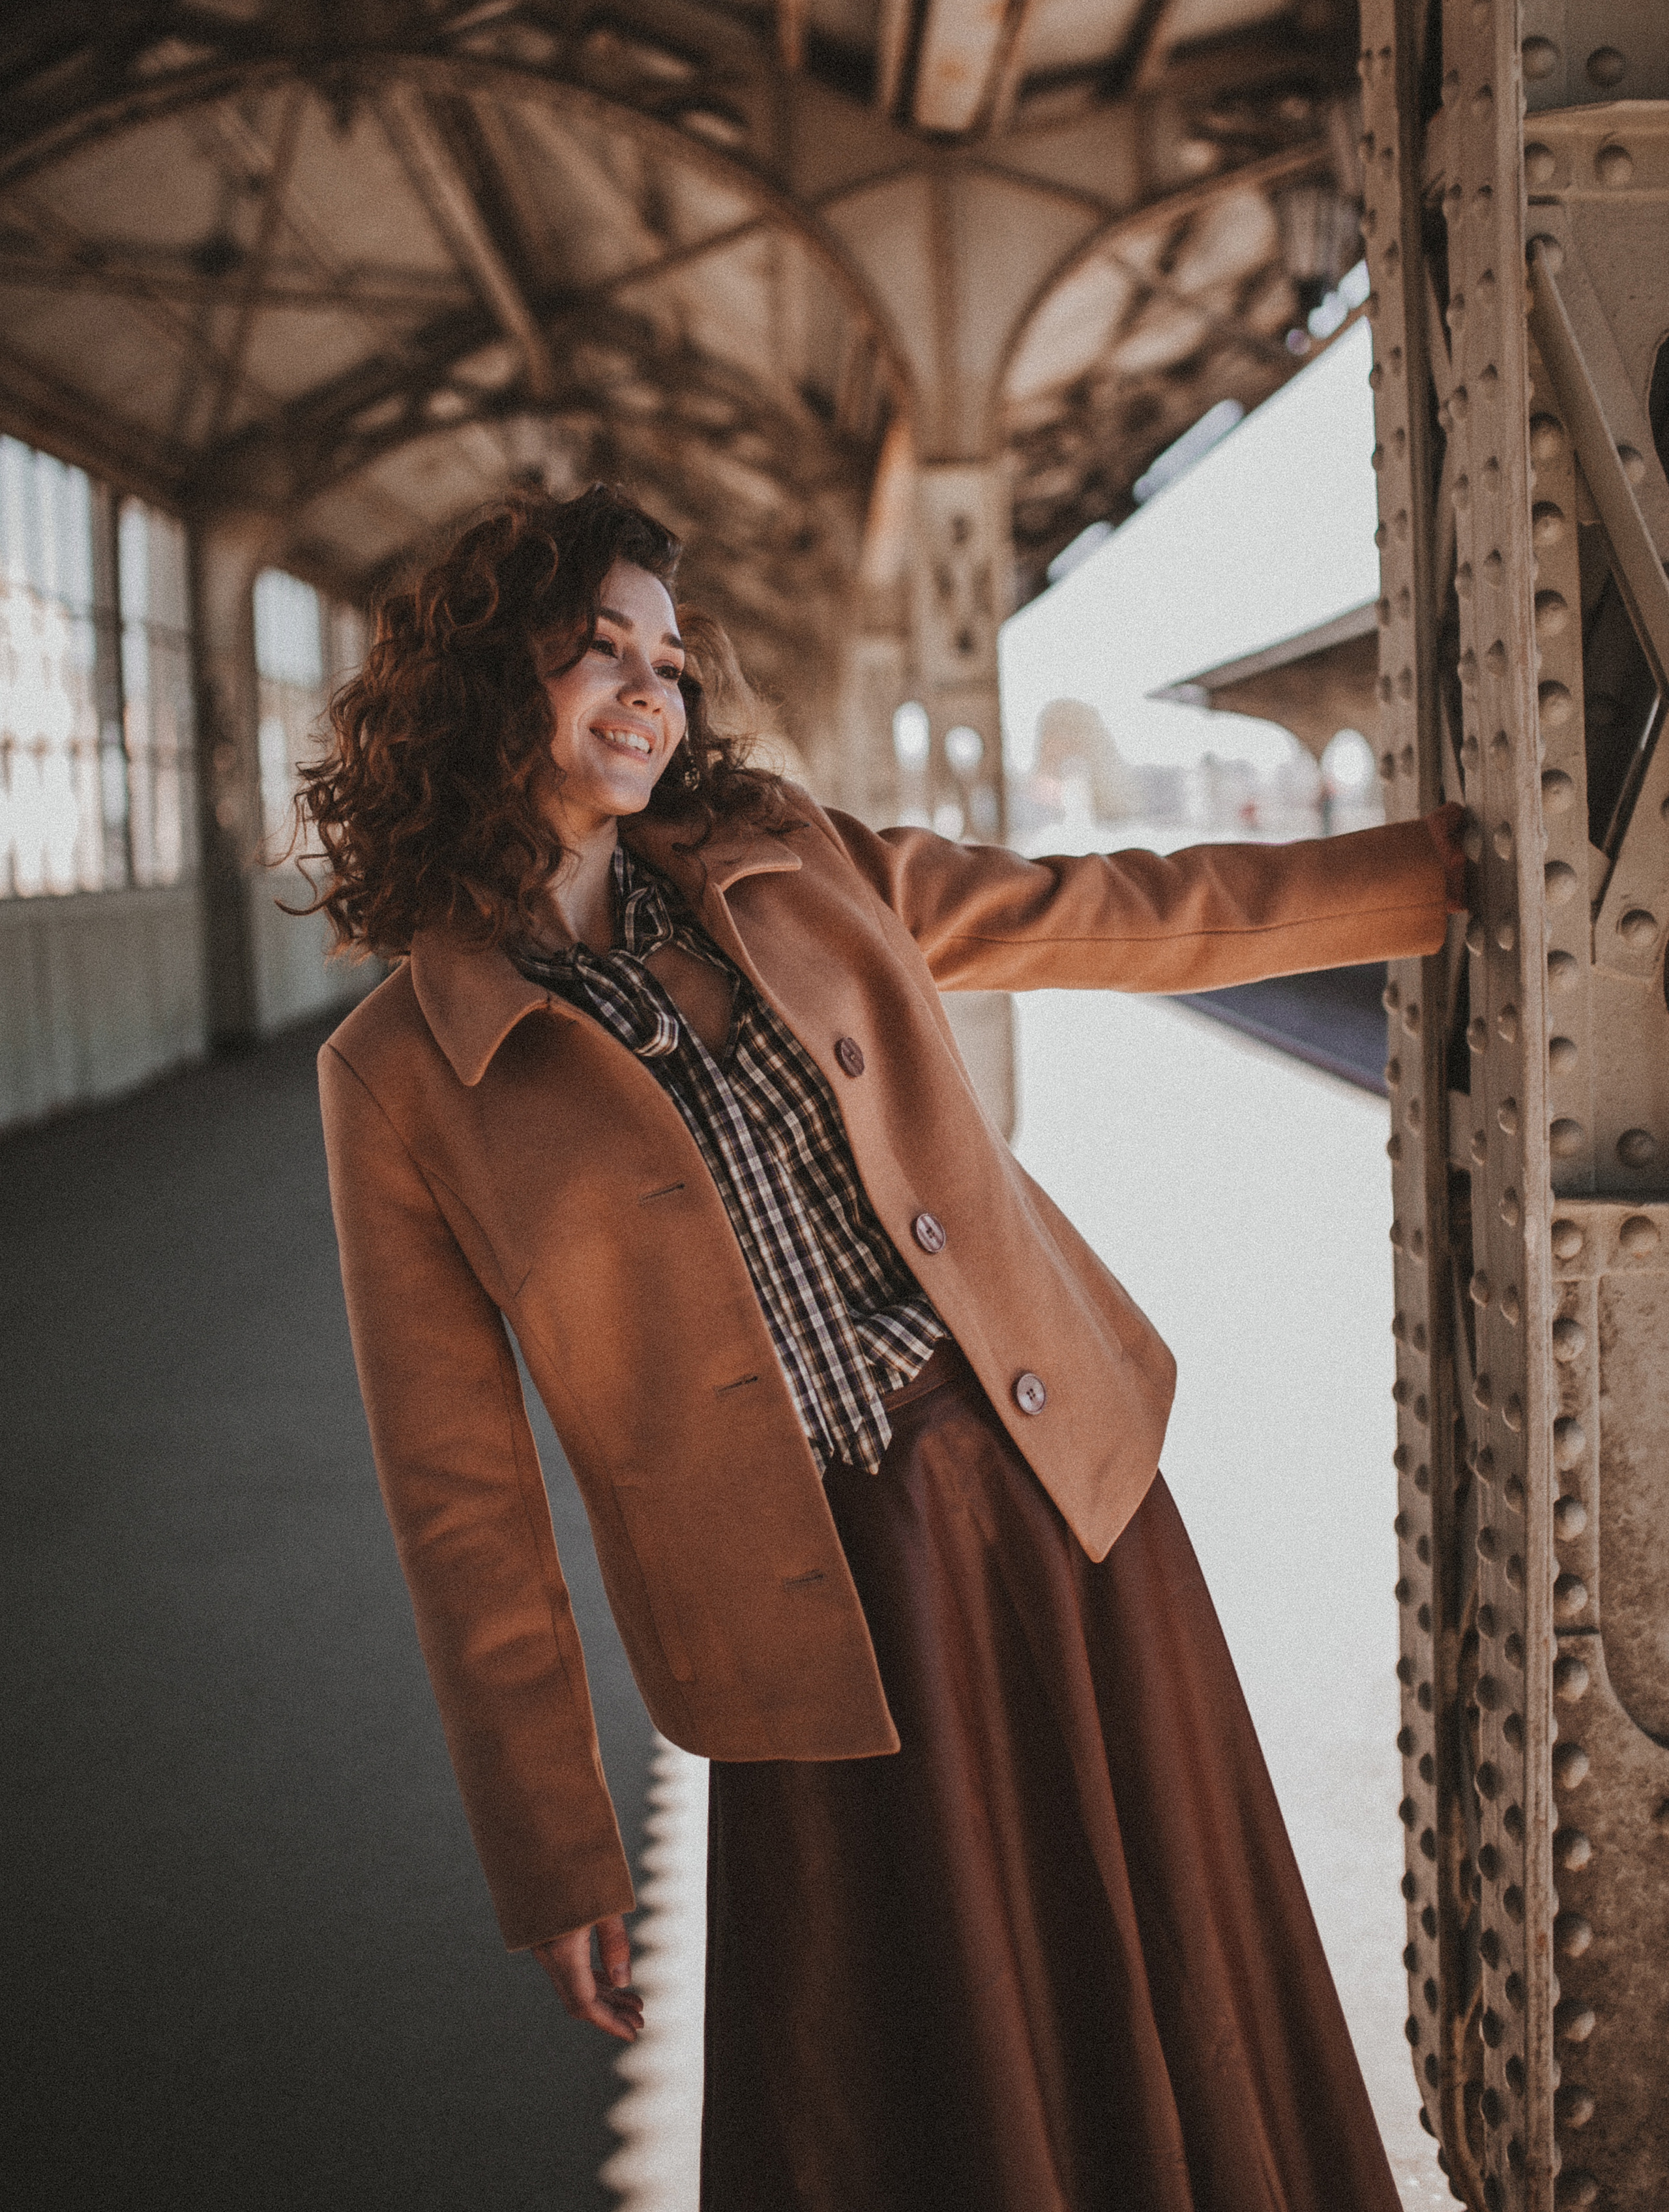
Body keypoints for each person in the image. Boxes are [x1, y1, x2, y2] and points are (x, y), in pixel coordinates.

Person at [307, 483, 1465, 2212]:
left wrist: (1456, 876)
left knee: (1163, 1977)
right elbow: (459, 1492)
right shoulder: (399, 1076)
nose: (648, 691)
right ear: (484, 686)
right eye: (594, 653)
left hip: (1049, 1497)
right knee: (915, 2075)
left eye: (667, 660)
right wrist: (552, 1847)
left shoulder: (788, 855)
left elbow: (1100, 909)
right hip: (806, 1607)